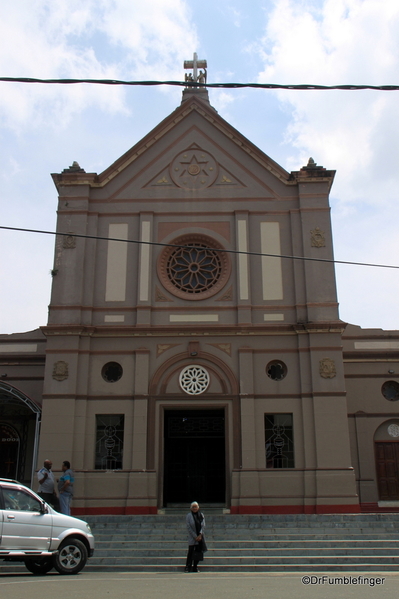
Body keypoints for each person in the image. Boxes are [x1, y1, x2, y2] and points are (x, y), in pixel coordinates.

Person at [185, 501, 206, 573]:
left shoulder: (201, 515)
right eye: (193, 507)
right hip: (192, 537)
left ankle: (195, 567)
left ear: (198, 507)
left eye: (196, 507)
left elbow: (203, 526)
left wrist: (200, 534)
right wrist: (195, 536)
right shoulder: (188, 516)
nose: (194, 508)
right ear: (191, 508)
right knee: (190, 552)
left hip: (200, 537)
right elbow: (188, 527)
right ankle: (188, 567)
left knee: (198, 552)